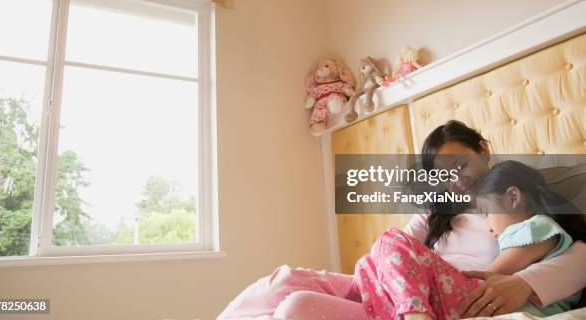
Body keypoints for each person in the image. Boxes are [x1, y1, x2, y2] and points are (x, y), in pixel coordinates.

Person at [217, 121, 586, 320]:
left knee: (297, 306)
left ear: (483, 152)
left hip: (439, 297)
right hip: (400, 286)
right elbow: (395, 249)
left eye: (461, 165)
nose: (456, 181)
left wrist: (523, 282)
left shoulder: (517, 203)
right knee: (282, 282)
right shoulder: (436, 213)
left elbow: (573, 251)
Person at [353, 160, 585, 320]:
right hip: (477, 303)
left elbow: (490, 278)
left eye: (486, 212)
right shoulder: (440, 214)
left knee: (390, 239)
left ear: (513, 197)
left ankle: (416, 312)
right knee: (366, 264)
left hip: (480, 299)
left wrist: (434, 275)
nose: (489, 225)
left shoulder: (538, 226)